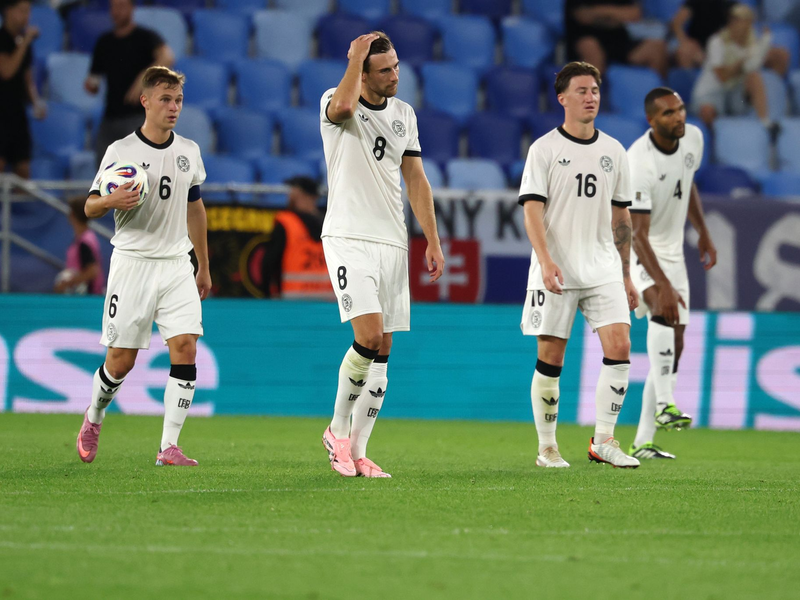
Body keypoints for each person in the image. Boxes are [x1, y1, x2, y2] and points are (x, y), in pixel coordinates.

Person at [319, 32, 444, 478]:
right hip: (349, 237)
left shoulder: (404, 115)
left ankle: (358, 448)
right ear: (363, 72)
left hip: (393, 240)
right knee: (368, 336)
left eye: (396, 67)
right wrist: (354, 58)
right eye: (386, 70)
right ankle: (336, 432)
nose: (396, 76)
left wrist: (431, 237)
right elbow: (346, 109)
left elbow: (416, 179)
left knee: (384, 348)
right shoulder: (335, 101)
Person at [76, 65, 210, 467]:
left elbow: (196, 208)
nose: (173, 107)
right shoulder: (121, 153)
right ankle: (94, 415)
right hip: (133, 263)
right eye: (166, 99)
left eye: (179, 100)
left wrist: (202, 265)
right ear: (145, 100)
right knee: (121, 361)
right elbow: (89, 206)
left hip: (175, 264)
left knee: (186, 347)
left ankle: (168, 446)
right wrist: (108, 202)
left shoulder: (188, 151)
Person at [519, 61, 640, 469]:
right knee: (552, 356)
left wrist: (626, 273)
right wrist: (546, 261)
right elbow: (532, 212)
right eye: (583, 91)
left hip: (603, 265)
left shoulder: (614, 151)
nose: (591, 97)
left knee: (620, 346)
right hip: (556, 267)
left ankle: (604, 440)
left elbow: (621, 218)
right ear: (563, 98)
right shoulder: (545, 149)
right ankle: (547, 447)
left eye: (596, 91)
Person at [627, 87, 717, 460]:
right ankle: (666, 404)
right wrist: (660, 284)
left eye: (680, 109)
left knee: (674, 349)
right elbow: (637, 234)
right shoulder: (639, 163)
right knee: (662, 313)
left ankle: (643, 441)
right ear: (652, 121)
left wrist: (703, 232)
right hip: (639, 250)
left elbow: (687, 183)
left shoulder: (693, 137)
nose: (678, 117)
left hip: (674, 255)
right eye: (668, 113)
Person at [85, 0, 174, 160]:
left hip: (138, 117)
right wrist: (91, 86)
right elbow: (94, 79)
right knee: (106, 172)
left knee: (138, 170)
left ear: (131, 9)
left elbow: (167, 57)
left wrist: (143, 79)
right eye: (113, 7)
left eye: (121, 7)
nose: (116, 12)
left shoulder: (144, 37)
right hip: (110, 117)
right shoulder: (104, 42)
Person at [691, 3, 784, 134]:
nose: (743, 27)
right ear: (731, 23)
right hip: (711, 94)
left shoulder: (750, 46)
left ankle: (765, 123)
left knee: (754, 77)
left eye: (747, 23)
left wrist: (764, 43)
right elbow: (722, 77)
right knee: (708, 111)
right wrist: (741, 62)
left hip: (733, 95)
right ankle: (713, 143)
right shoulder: (716, 42)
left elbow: (752, 66)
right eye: (739, 21)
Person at [261, 176, 332, 300]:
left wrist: (267, 294)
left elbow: (269, 263)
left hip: (296, 301)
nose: (290, 195)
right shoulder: (330, 222)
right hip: (328, 300)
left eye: (293, 191)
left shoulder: (287, 223)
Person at [671, 0, 789, 74]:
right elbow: (677, 23)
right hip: (701, 51)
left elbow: (748, 29)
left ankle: (773, 98)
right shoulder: (695, 2)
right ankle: (689, 98)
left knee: (780, 54)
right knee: (684, 52)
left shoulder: (734, 6)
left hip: (730, 50)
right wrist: (685, 42)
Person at [0, 0, 46, 179]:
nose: (26, 17)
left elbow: (27, 77)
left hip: (17, 113)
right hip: (1, 114)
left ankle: (17, 207)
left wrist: (36, 102)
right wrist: (25, 41)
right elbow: (7, 71)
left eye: (28, 12)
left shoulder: (23, 43)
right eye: (21, 11)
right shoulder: (3, 38)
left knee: (23, 169)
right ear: (9, 11)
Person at [565, 0, 668, 76]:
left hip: (620, 41)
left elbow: (634, 14)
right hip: (587, 38)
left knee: (657, 48)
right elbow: (583, 16)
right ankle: (591, 101)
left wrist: (601, 12)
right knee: (591, 48)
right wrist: (614, 16)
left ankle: (655, 99)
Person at [54, 196, 106, 295]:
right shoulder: (86, 237)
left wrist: (67, 283)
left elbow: (92, 271)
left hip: (88, 296)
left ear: (73, 215)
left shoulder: (84, 242)